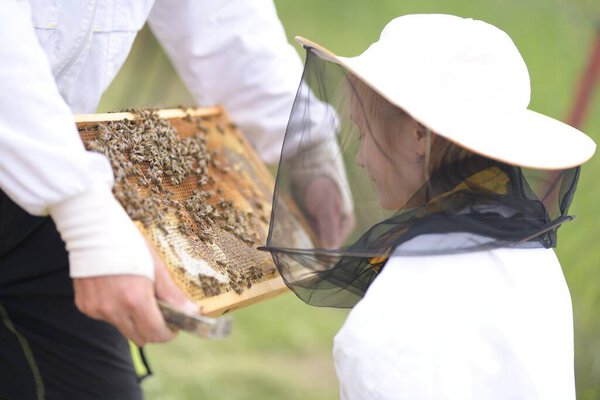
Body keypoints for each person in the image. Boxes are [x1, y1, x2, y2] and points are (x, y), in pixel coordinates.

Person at [0, 1, 352, 399]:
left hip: (50, 184)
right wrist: (83, 216)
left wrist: (303, 137)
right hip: (63, 188)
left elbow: (219, 15)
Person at [261, 14, 596, 399]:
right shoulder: (534, 260)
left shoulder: (387, 324)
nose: (361, 158)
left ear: (419, 135)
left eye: (364, 131)